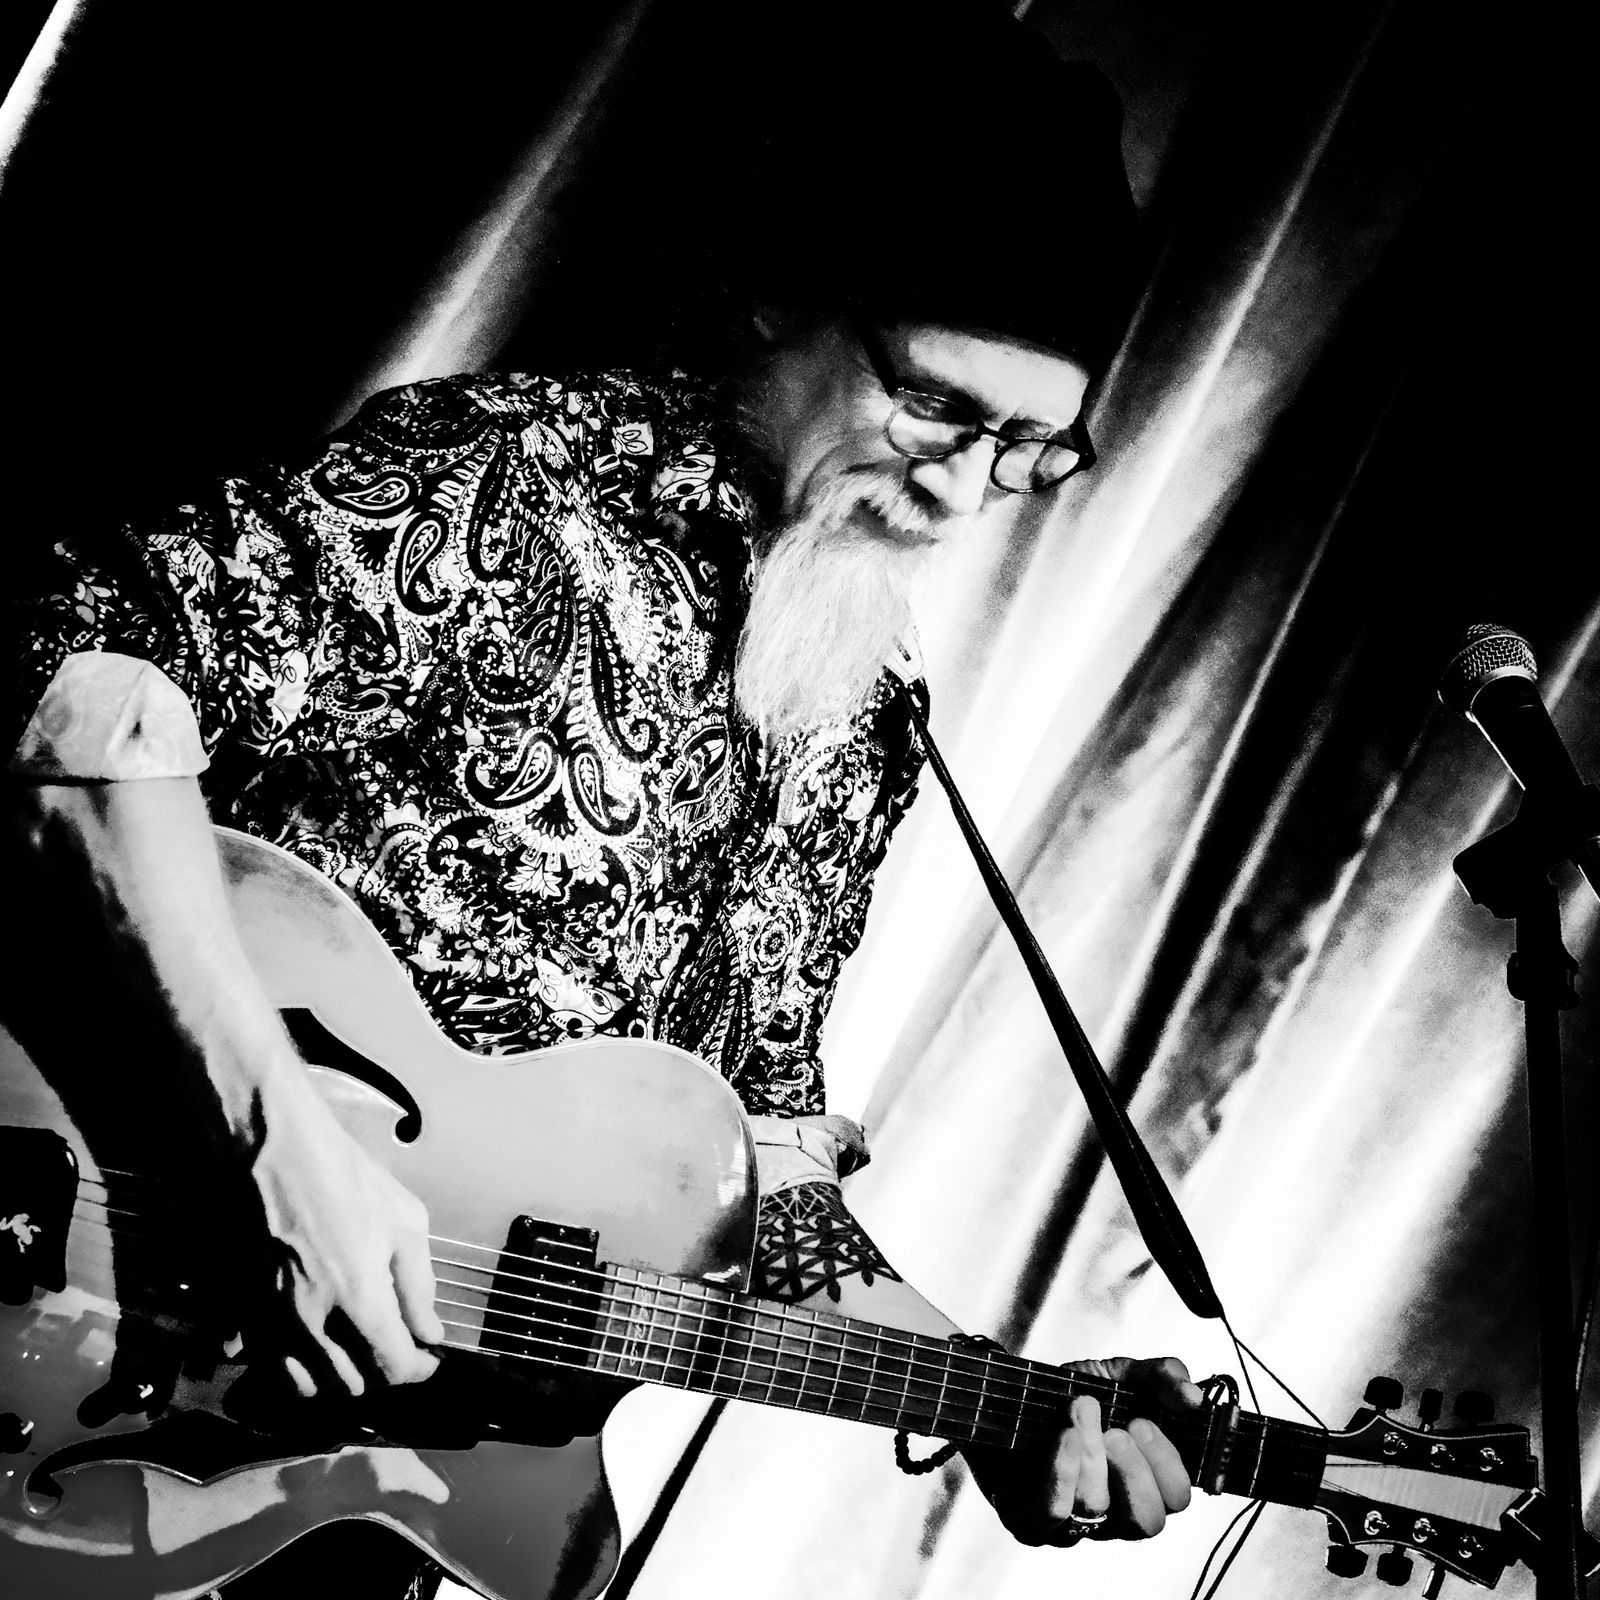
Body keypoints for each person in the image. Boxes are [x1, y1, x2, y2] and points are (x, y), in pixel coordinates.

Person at [3, 3, 1200, 1594]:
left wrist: (992, 1401)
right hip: (88, 1301)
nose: (966, 488)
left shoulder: (858, 718)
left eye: (1031, 451)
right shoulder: (503, 487)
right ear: (783, 295)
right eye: (937, 406)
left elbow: (763, 1177)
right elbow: (68, 673)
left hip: (324, 1501)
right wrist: (274, 1141)